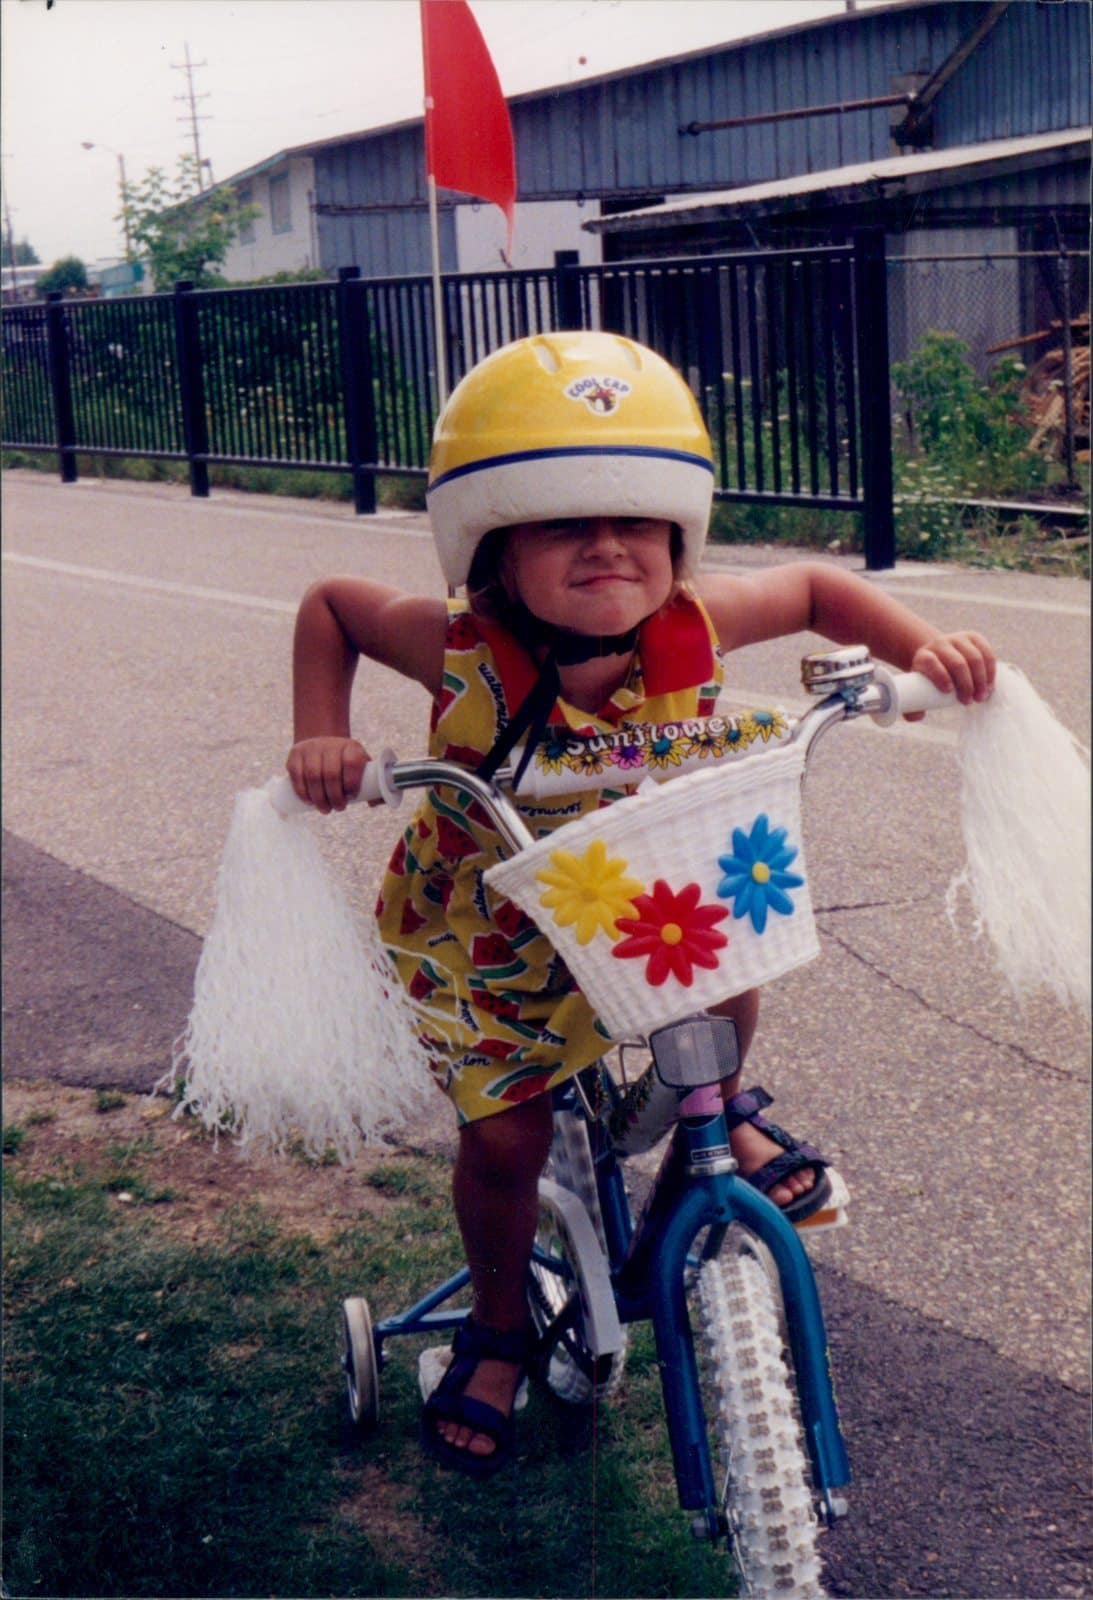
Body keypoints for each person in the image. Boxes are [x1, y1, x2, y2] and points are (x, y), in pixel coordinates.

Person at [286, 331, 995, 1476]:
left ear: (680, 538)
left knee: (728, 963)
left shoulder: (696, 626)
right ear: (492, 545)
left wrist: (921, 651)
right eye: (566, 523)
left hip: (638, 901)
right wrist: (320, 731)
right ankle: (500, 1324)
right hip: (487, 932)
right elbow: (331, 606)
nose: (609, 545)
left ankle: (707, 1128)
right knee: (508, 1137)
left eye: (637, 523)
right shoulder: (458, 649)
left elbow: (819, 589)